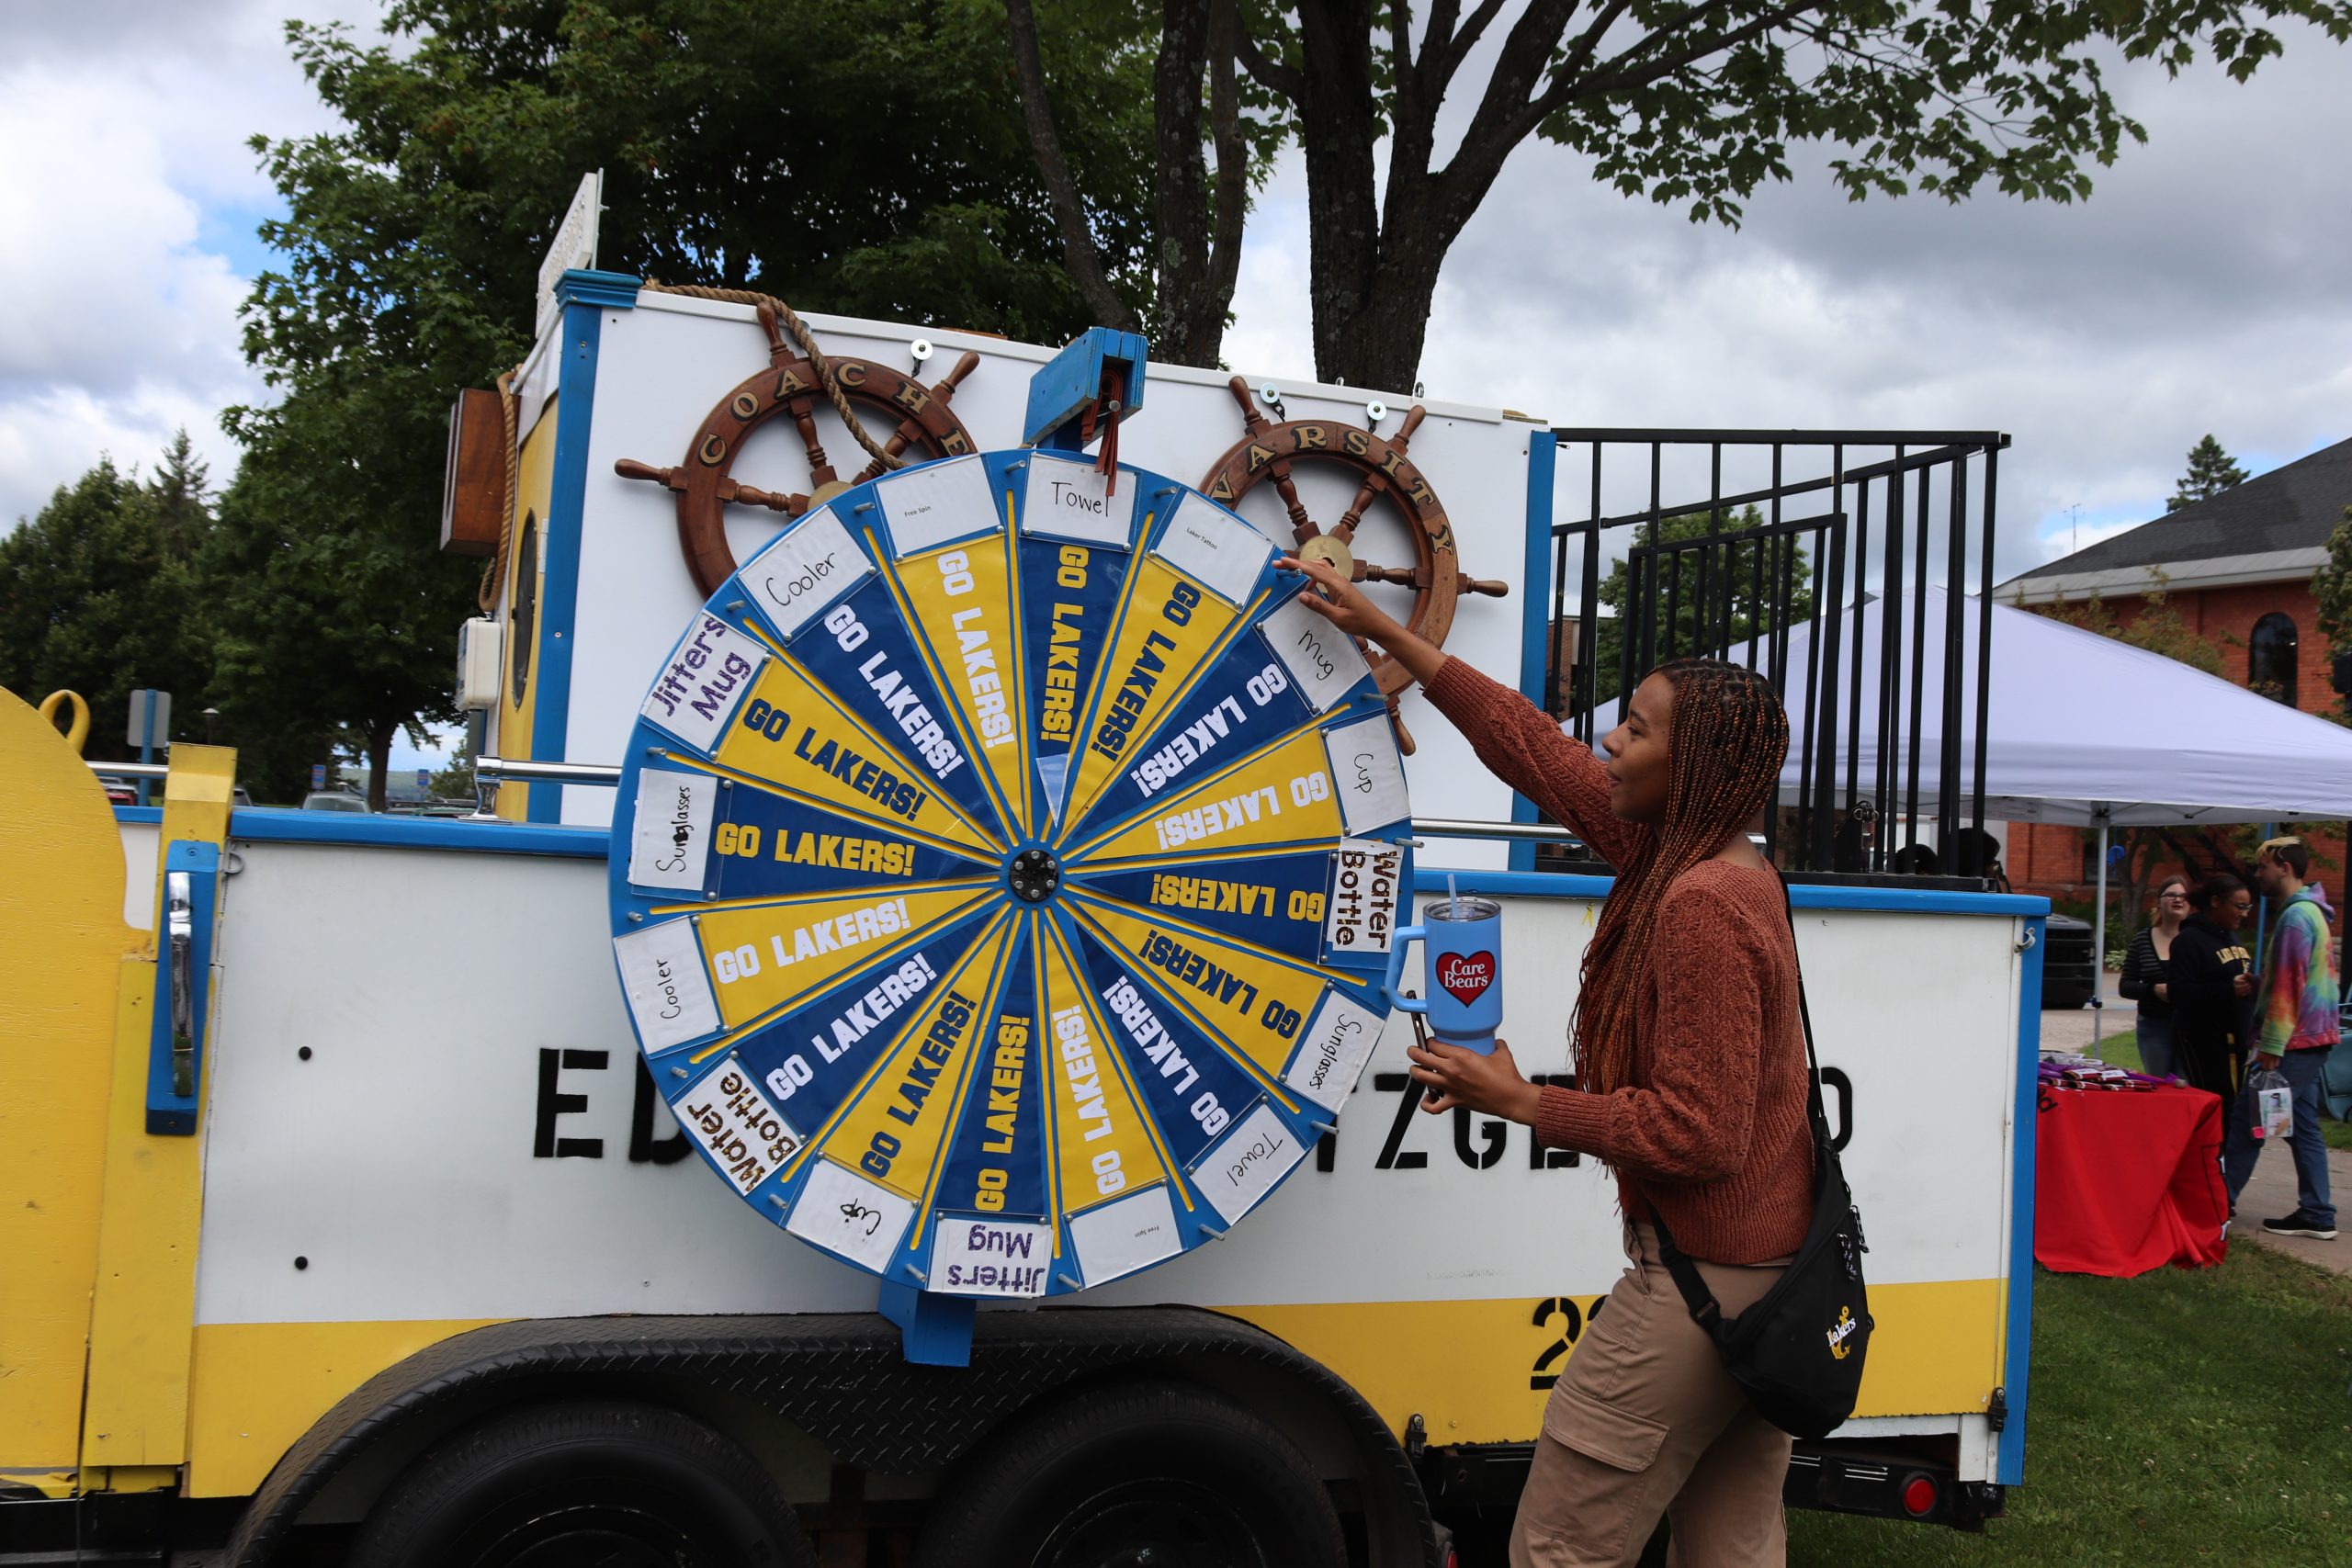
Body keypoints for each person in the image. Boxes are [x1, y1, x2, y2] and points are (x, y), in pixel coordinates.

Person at [1283, 554, 1814, 1568]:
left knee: (1560, 1546)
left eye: (1637, 730)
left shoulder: (1700, 904)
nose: (1608, 740)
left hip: (1701, 1291)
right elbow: (1530, 747)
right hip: (1766, 1289)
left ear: (1693, 766)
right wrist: (1384, 629)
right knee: (1732, 1551)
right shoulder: (1699, 857)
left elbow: (1699, 1135)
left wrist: (1522, 1099)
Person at [2222, 837, 2339, 1239]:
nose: (2258, 875)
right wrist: (2259, 984)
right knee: (2302, 1127)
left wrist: (2271, 1046)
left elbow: (2291, 987)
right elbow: (2301, 978)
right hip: (2311, 1038)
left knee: (2248, 1122)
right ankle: (2317, 1213)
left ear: (2285, 867)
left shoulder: (2295, 918)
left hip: (2292, 1043)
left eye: (2263, 867)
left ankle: (2217, 1204)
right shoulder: (2311, 912)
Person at [2166, 874, 2256, 1104]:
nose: (2244, 913)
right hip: (2205, 1042)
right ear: (2216, 902)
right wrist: (2228, 990)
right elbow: (2178, 993)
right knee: (2218, 1105)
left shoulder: (2232, 937)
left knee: (2235, 1106)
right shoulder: (2188, 940)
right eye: (2239, 906)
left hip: (2237, 1039)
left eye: (2248, 907)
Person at [2117, 875, 2190, 1079]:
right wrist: (2153, 990)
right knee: (2159, 1083)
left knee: (2186, 1085)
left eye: (2184, 896)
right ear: (2159, 902)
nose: (2178, 899)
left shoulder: (2196, 940)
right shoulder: (2142, 940)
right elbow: (2125, 986)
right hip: (2154, 1027)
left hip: (2190, 1028)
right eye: (2171, 895)